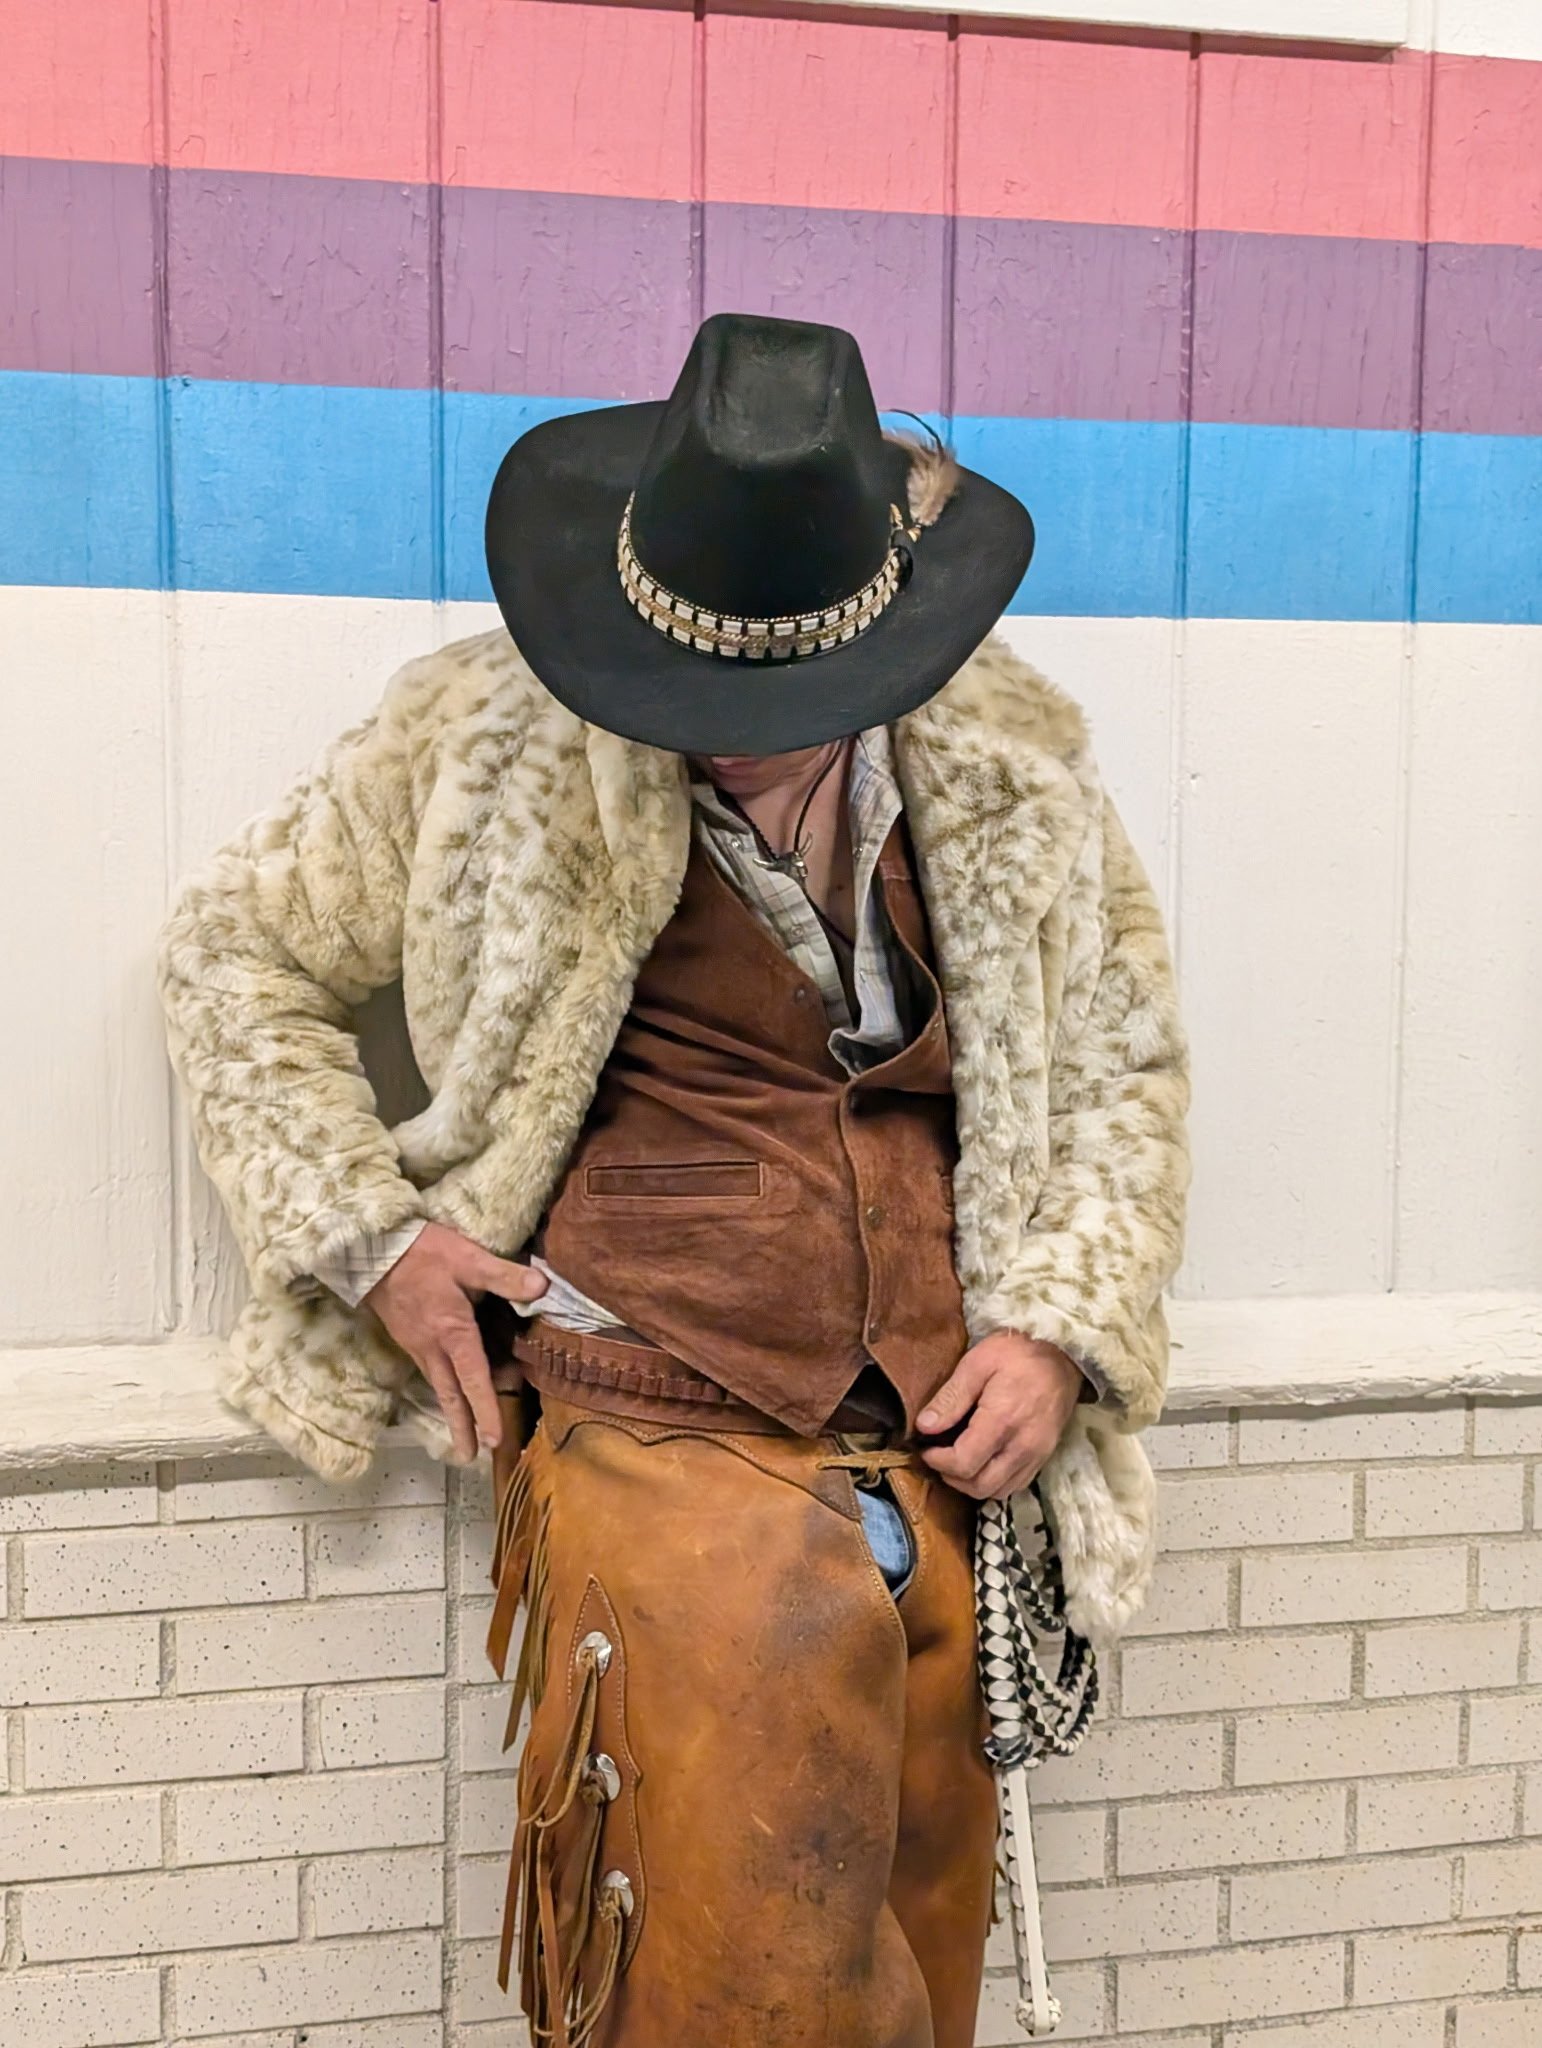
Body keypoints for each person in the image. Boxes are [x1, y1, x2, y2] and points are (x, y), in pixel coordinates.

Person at [157, 311, 1190, 2048]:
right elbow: (230, 953)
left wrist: (1058, 1333)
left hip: (943, 1456)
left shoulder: (1011, 765)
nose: (730, 736)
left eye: (783, 702)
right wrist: (369, 1237)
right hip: (656, 1429)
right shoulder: (485, 736)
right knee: (719, 1997)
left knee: (920, 1991)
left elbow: (1120, 1068)